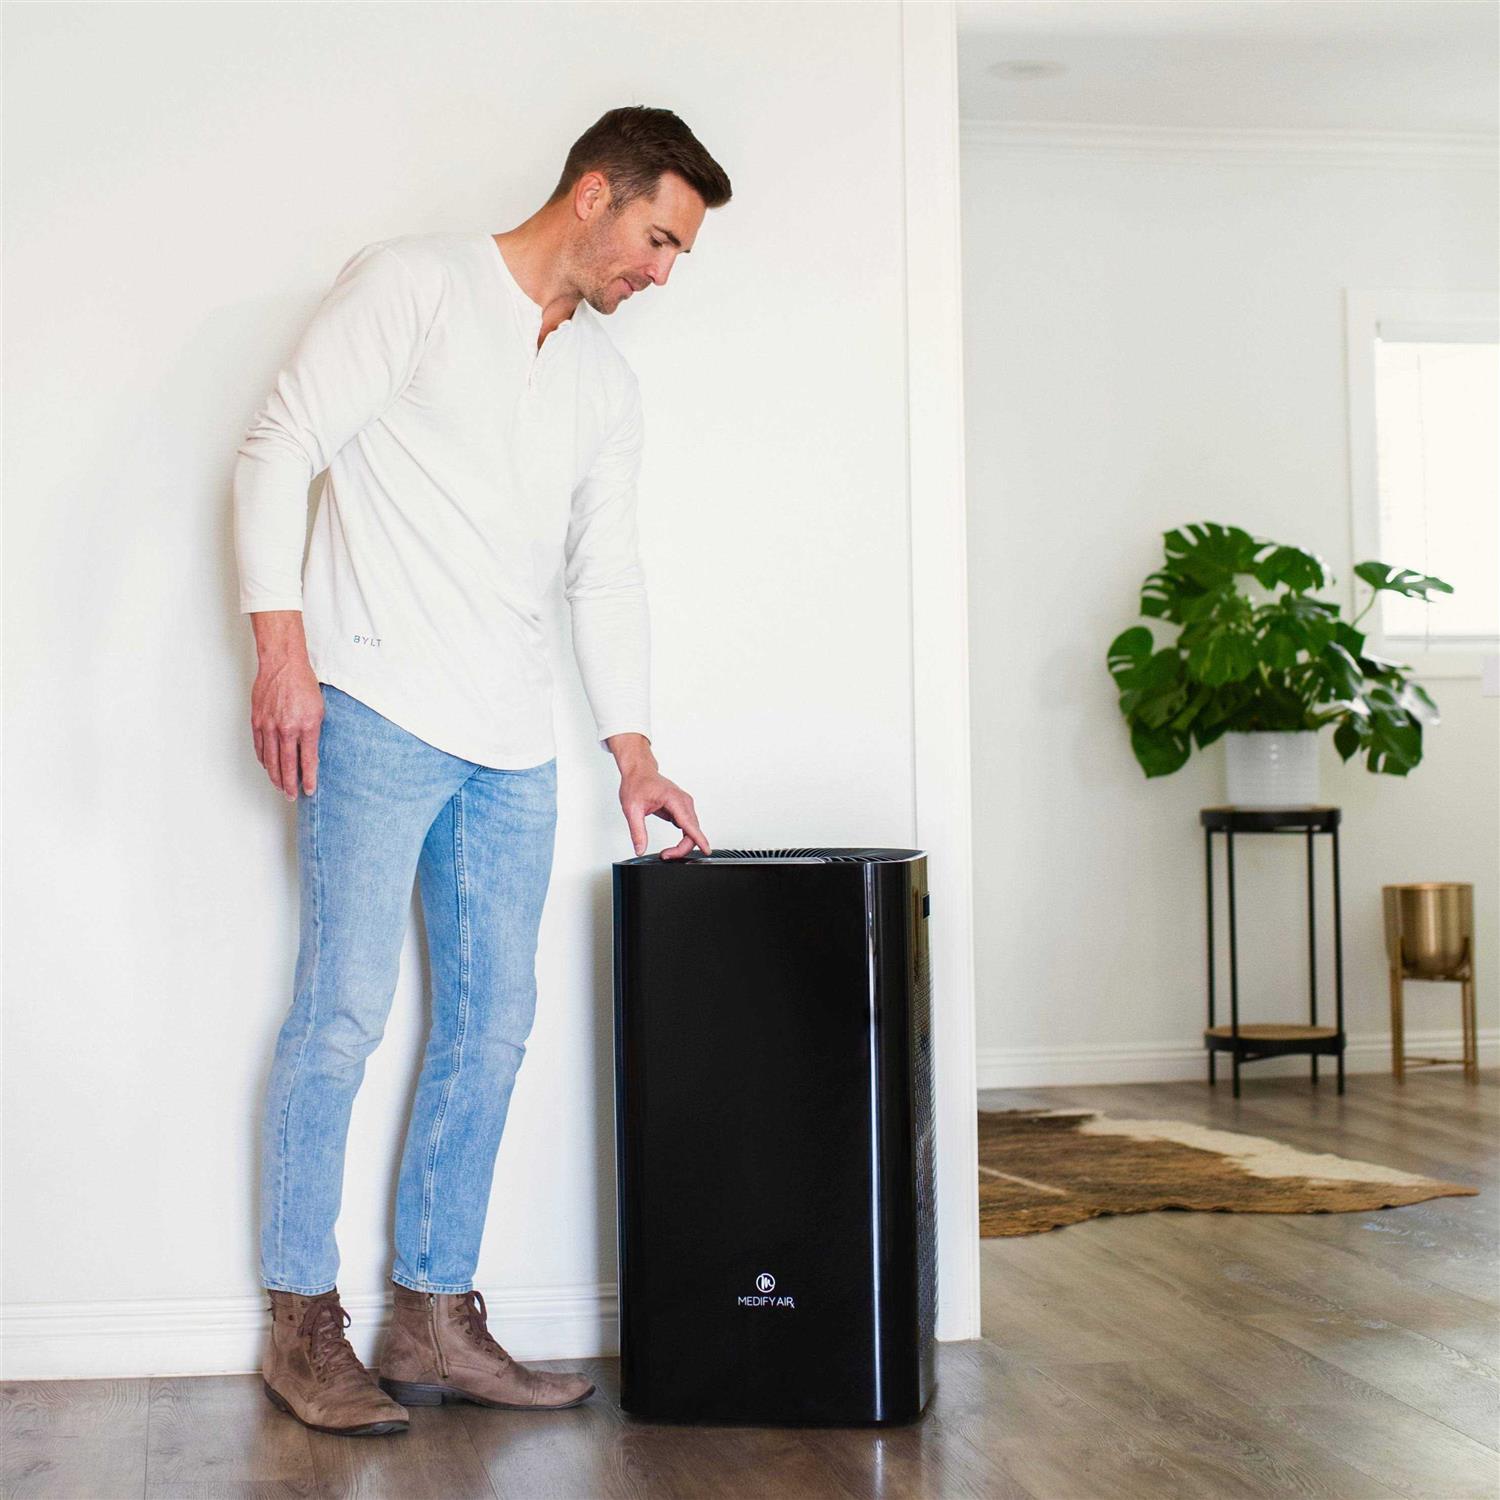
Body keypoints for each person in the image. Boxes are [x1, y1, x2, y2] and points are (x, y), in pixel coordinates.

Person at [232, 105, 731, 1437]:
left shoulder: (602, 385)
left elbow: (603, 572)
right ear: (594, 193)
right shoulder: (415, 287)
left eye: (679, 253)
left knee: (492, 1028)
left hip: (513, 747)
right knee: (341, 1016)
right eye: (659, 238)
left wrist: (634, 748)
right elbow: (280, 444)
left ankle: (433, 1318)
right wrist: (281, 655)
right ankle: (302, 1326)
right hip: (374, 709)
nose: (663, 271)